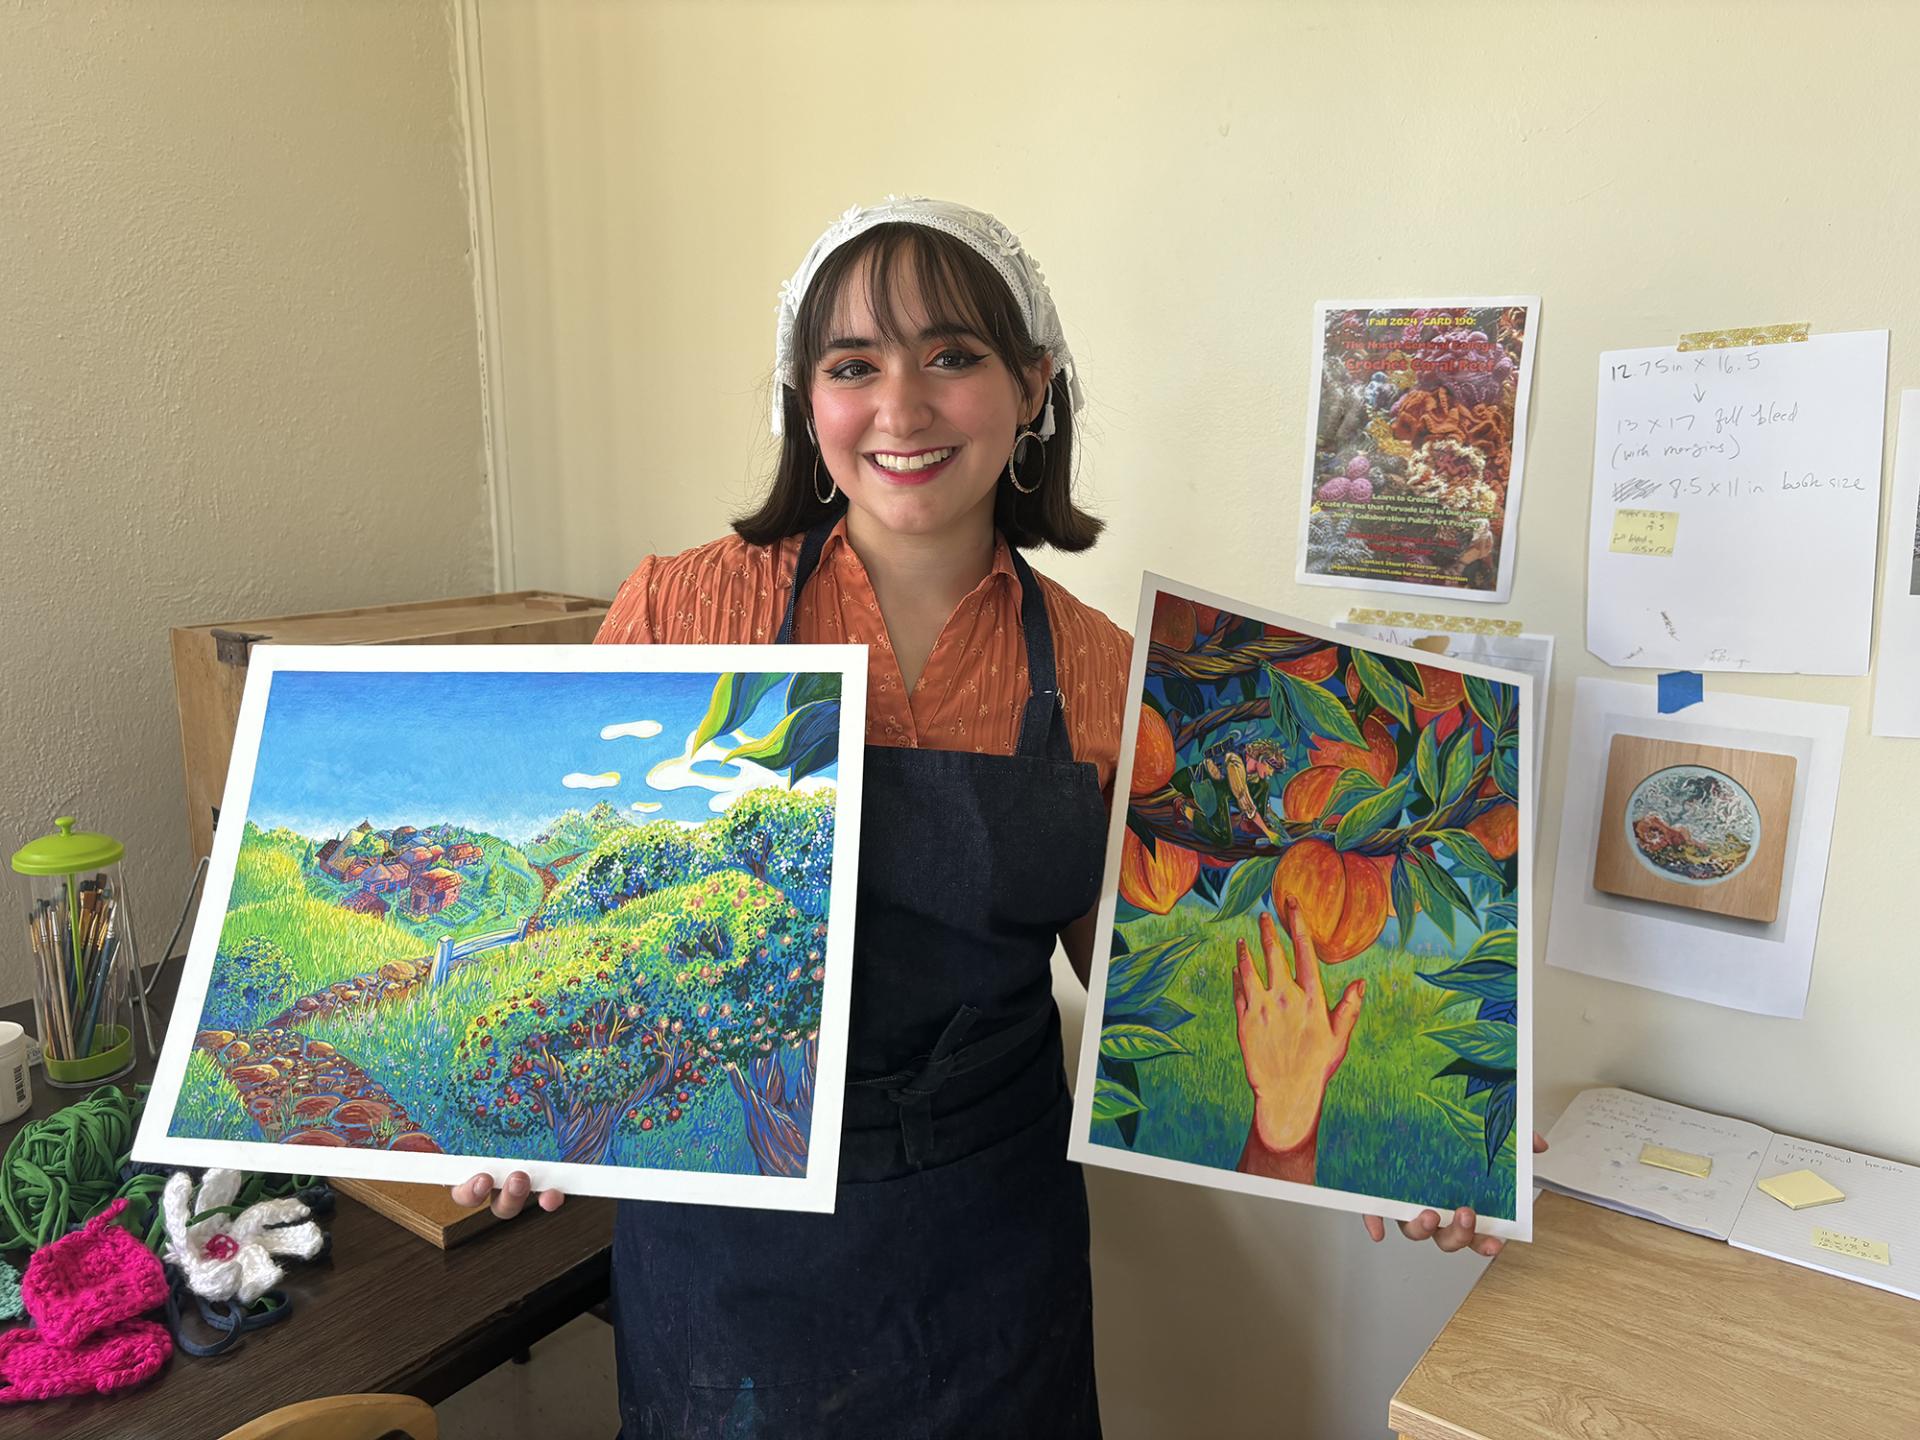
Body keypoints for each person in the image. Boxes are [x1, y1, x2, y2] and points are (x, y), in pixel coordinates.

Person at [452, 196, 1531, 1438]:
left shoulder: (1106, 676)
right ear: (808, 403)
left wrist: (1404, 1141)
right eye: (854, 365)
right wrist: (514, 1125)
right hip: (726, 1231)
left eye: (952, 357)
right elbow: (593, 901)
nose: (901, 409)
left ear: (1032, 387)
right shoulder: (689, 609)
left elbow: (1160, 992)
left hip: (986, 1239)